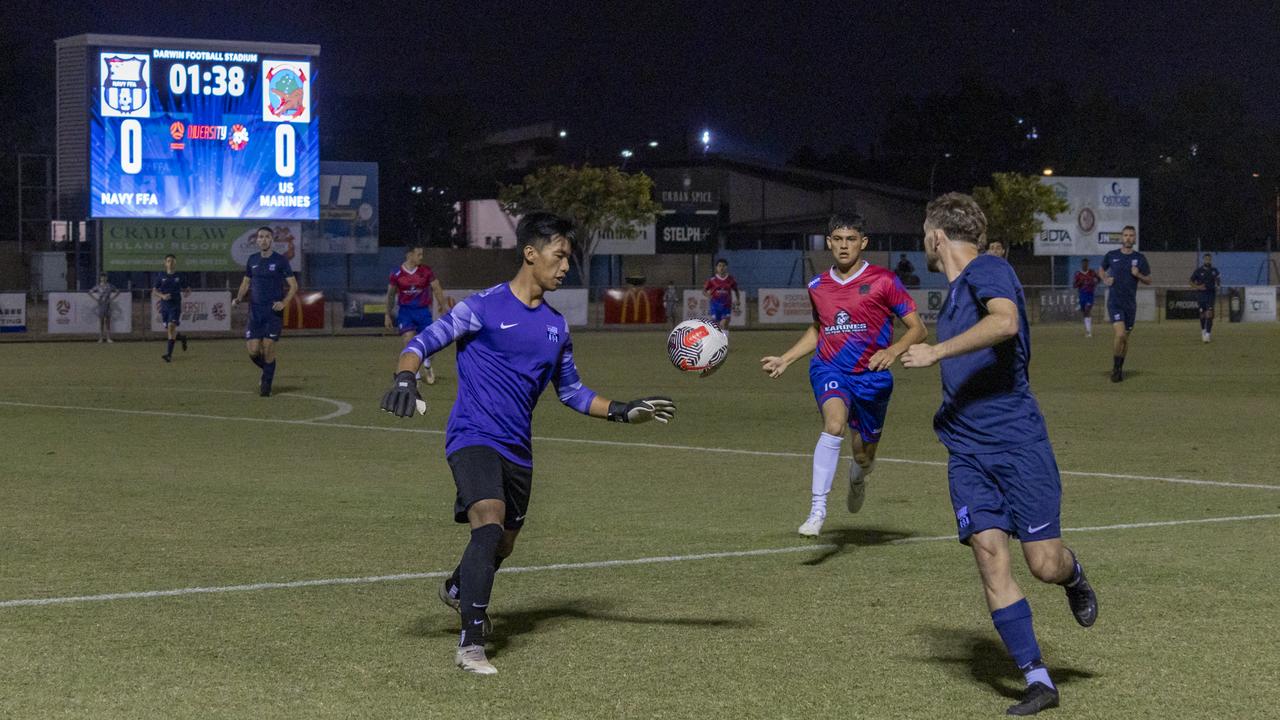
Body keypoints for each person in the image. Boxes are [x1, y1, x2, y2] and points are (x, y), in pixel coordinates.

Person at [379, 212, 676, 675]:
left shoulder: (557, 326)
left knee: (503, 544)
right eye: (558, 257)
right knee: (489, 522)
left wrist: (622, 409)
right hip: (473, 436)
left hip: (519, 449)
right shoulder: (482, 307)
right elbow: (423, 341)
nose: (564, 268)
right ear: (530, 253)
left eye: (568, 260)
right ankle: (471, 643)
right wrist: (404, 376)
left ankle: (459, 588)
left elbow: (573, 392)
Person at [901, 193, 1097, 717]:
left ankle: (1074, 575)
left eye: (924, 233)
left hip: (1016, 445)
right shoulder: (958, 290)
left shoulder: (989, 268)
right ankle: (1038, 680)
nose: (923, 241)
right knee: (990, 555)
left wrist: (937, 351)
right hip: (967, 450)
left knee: (1044, 564)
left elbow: (1007, 323)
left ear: (936, 236)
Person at [760, 213, 926, 537]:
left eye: (851, 239)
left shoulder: (884, 281)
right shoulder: (816, 286)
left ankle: (858, 475)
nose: (844, 246)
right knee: (833, 424)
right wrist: (787, 358)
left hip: (873, 376)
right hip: (830, 367)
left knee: (864, 455)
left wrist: (892, 351)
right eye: (838, 239)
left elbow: (918, 329)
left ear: (863, 242)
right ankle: (817, 509)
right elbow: (819, 329)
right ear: (829, 243)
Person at [232, 227, 298, 397]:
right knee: (253, 351)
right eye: (261, 237)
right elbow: (246, 283)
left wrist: (284, 303)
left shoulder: (280, 260)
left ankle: (266, 384)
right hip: (255, 313)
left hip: (272, 313)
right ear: (257, 240)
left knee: (268, 347)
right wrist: (238, 298)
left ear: (272, 240)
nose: (263, 240)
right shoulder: (252, 260)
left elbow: (293, 286)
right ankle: (268, 370)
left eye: (267, 237)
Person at [386, 246, 447, 384]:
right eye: (419, 254)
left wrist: (443, 306)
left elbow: (436, 287)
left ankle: (428, 364)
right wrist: (387, 314)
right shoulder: (396, 273)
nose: (421, 257)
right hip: (406, 312)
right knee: (409, 340)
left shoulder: (426, 271)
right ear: (410, 255)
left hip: (423, 311)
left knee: (431, 344)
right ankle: (416, 373)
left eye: (422, 254)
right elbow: (390, 295)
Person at [1098, 226, 1151, 381]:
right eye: (1126, 235)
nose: (1128, 238)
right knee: (1120, 334)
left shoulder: (1140, 258)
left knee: (1125, 338)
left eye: (1131, 235)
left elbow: (1149, 280)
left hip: (1130, 305)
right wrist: (1105, 279)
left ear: (1134, 238)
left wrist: (1138, 274)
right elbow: (1101, 269)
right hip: (1115, 302)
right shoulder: (1112, 255)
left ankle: (1120, 368)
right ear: (1122, 238)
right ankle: (1115, 368)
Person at [153, 254, 190, 361]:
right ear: (165, 263)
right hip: (165, 306)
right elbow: (154, 291)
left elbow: (187, 288)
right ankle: (181, 338)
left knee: (170, 327)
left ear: (175, 263)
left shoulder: (179, 276)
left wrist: (187, 292)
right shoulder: (161, 275)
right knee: (170, 330)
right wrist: (163, 296)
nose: (171, 263)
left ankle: (168, 355)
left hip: (175, 305)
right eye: (168, 261)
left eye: (172, 261)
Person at [1189, 253, 1220, 343]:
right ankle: (1203, 330)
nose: (1208, 260)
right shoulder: (1198, 271)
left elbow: (1218, 280)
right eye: (1206, 259)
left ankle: (1208, 334)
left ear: (1211, 260)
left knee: (1209, 313)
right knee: (1202, 314)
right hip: (1201, 295)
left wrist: (1218, 285)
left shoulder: (1214, 270)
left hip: (1211, 294)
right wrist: (1198, 287)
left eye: (1209, 259)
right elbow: (1190, 281)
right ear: (1203, 260)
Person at [703, 259, 740, 333]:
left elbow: (736, 290)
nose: (721, 268)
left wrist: (738, 299)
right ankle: (718, 342)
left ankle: (724, 343)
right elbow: (704, 291)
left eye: (723, 266)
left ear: (726, 267)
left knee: (724, 324)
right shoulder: (712, 280)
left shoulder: (730, 279)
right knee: (716, 326)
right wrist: (708, 295)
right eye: (719, 266)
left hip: (726, 306)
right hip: (715, 306)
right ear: (716, 268)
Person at [88, 273, 119, 343]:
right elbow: (90, 292)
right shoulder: (98, 286)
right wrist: (96, 299)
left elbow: (117, 291)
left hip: (108, 305)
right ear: (100, 278)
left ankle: (108, 338)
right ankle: (101, 338)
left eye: (105, 277)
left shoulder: (110, 286)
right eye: (102, 277)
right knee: (101, 322)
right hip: (101, 305)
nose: (103, 278)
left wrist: (112, 299)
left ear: (107, 278)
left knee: (108, 321)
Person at [1072, 258, 1100, 338]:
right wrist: (1081, 282)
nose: (1085, 265)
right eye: (1084, 263)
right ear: (1081, 264)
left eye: (1086, 263)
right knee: (1084, 312)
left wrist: (1095, 282)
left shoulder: (1092, 272)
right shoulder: (1078, 274)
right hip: (1082, 295)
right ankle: (1087, 329)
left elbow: (1098, 279)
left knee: (1088, 309)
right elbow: (1074, 285)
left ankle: (1089, 332)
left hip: (1090, 295)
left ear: (1088, 264)